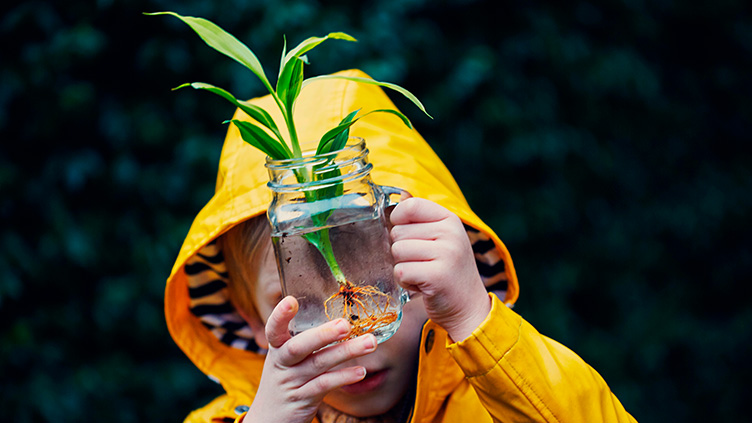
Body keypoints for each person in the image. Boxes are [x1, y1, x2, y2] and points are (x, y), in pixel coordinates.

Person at [165, 69, 637, 422]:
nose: (355, 335)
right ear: (248, 320)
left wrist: (474, 319)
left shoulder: (500, 397)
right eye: (305, 303)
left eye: (381, 284)